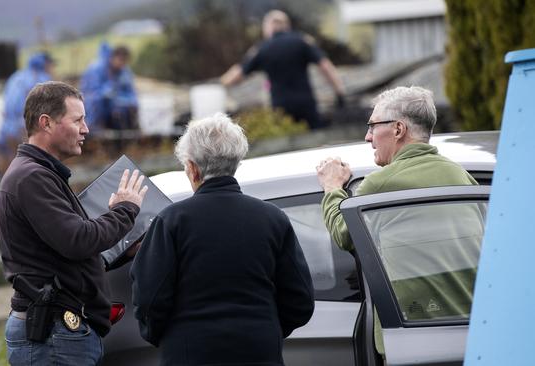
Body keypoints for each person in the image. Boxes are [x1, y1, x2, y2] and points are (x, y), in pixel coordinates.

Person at [130, 113, 315, 365]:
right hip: (259, 350)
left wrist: (165, 335)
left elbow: (150, 300)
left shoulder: (171, 221)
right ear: (236, 162)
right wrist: (265, 328)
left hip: (190, 352)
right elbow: (300, 300)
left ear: (193, 168)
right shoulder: (273, 218)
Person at [315, 86, 479, 357]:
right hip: (469, 331)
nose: (368, 137)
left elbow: (344, 234)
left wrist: (333, 188)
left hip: (415, 336)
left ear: (399, 129)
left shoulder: (380, 184)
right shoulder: (462, 176)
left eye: (372, 126)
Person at [0, 81, 148, 365]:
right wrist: (125, 210)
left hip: (58, 334)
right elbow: (78, 240)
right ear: (46, 123)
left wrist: (119, 252)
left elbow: (62, 256)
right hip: (53, 336)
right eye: (78, 120)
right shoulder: (32, 178)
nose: (86, 129)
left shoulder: (39, 175)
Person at [221, 9, 346, 129]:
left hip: (281, 109)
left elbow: (238, 74)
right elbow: (326, 66)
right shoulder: (302, 41)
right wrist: (339, 92)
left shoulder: (262, 49)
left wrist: (220, 85)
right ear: (287, 26)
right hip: (306, 104)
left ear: (268, 27)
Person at [0, 52, 54, 158]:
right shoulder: (41, 78)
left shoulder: (16, 76)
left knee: (11, 165)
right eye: (50, 64)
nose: (52, 68)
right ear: (44, 64)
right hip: (26, 128)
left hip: (6, 128)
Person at [80, 43, 138, 132]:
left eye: (125, 62)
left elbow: (130, 92)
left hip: (115, 107)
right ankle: (94, 129)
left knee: (130, 108)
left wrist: (128, 101)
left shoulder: (125, 72)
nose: (122, 64)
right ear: (113, 57)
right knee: (97, 101)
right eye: (121, 60)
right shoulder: (96, 69)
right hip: (95, 104)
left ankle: (130, 132)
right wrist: (107, 92)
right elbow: (90, 92)